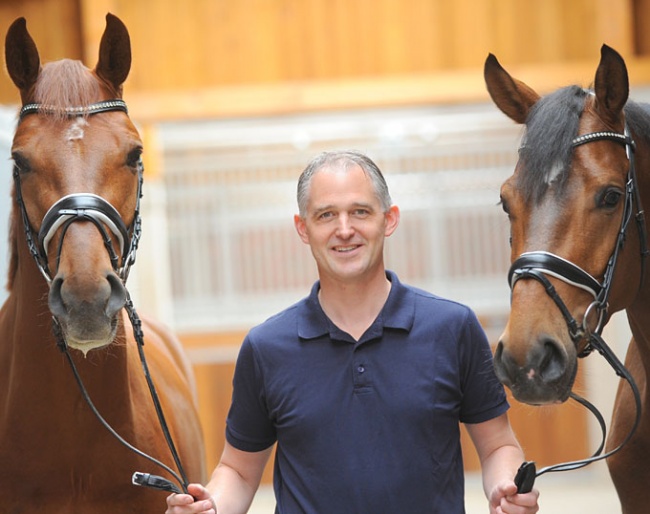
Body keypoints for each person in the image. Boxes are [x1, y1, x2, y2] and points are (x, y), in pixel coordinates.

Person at [166, 150, 540, 514]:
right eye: (326, 215)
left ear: (389, 219)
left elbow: (497, 447)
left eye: (359, 212)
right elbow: (238, 471)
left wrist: (505, 489)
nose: (344, 230)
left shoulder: (452, 328)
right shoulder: (266, 348)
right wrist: (211, 507)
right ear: (303, 228)